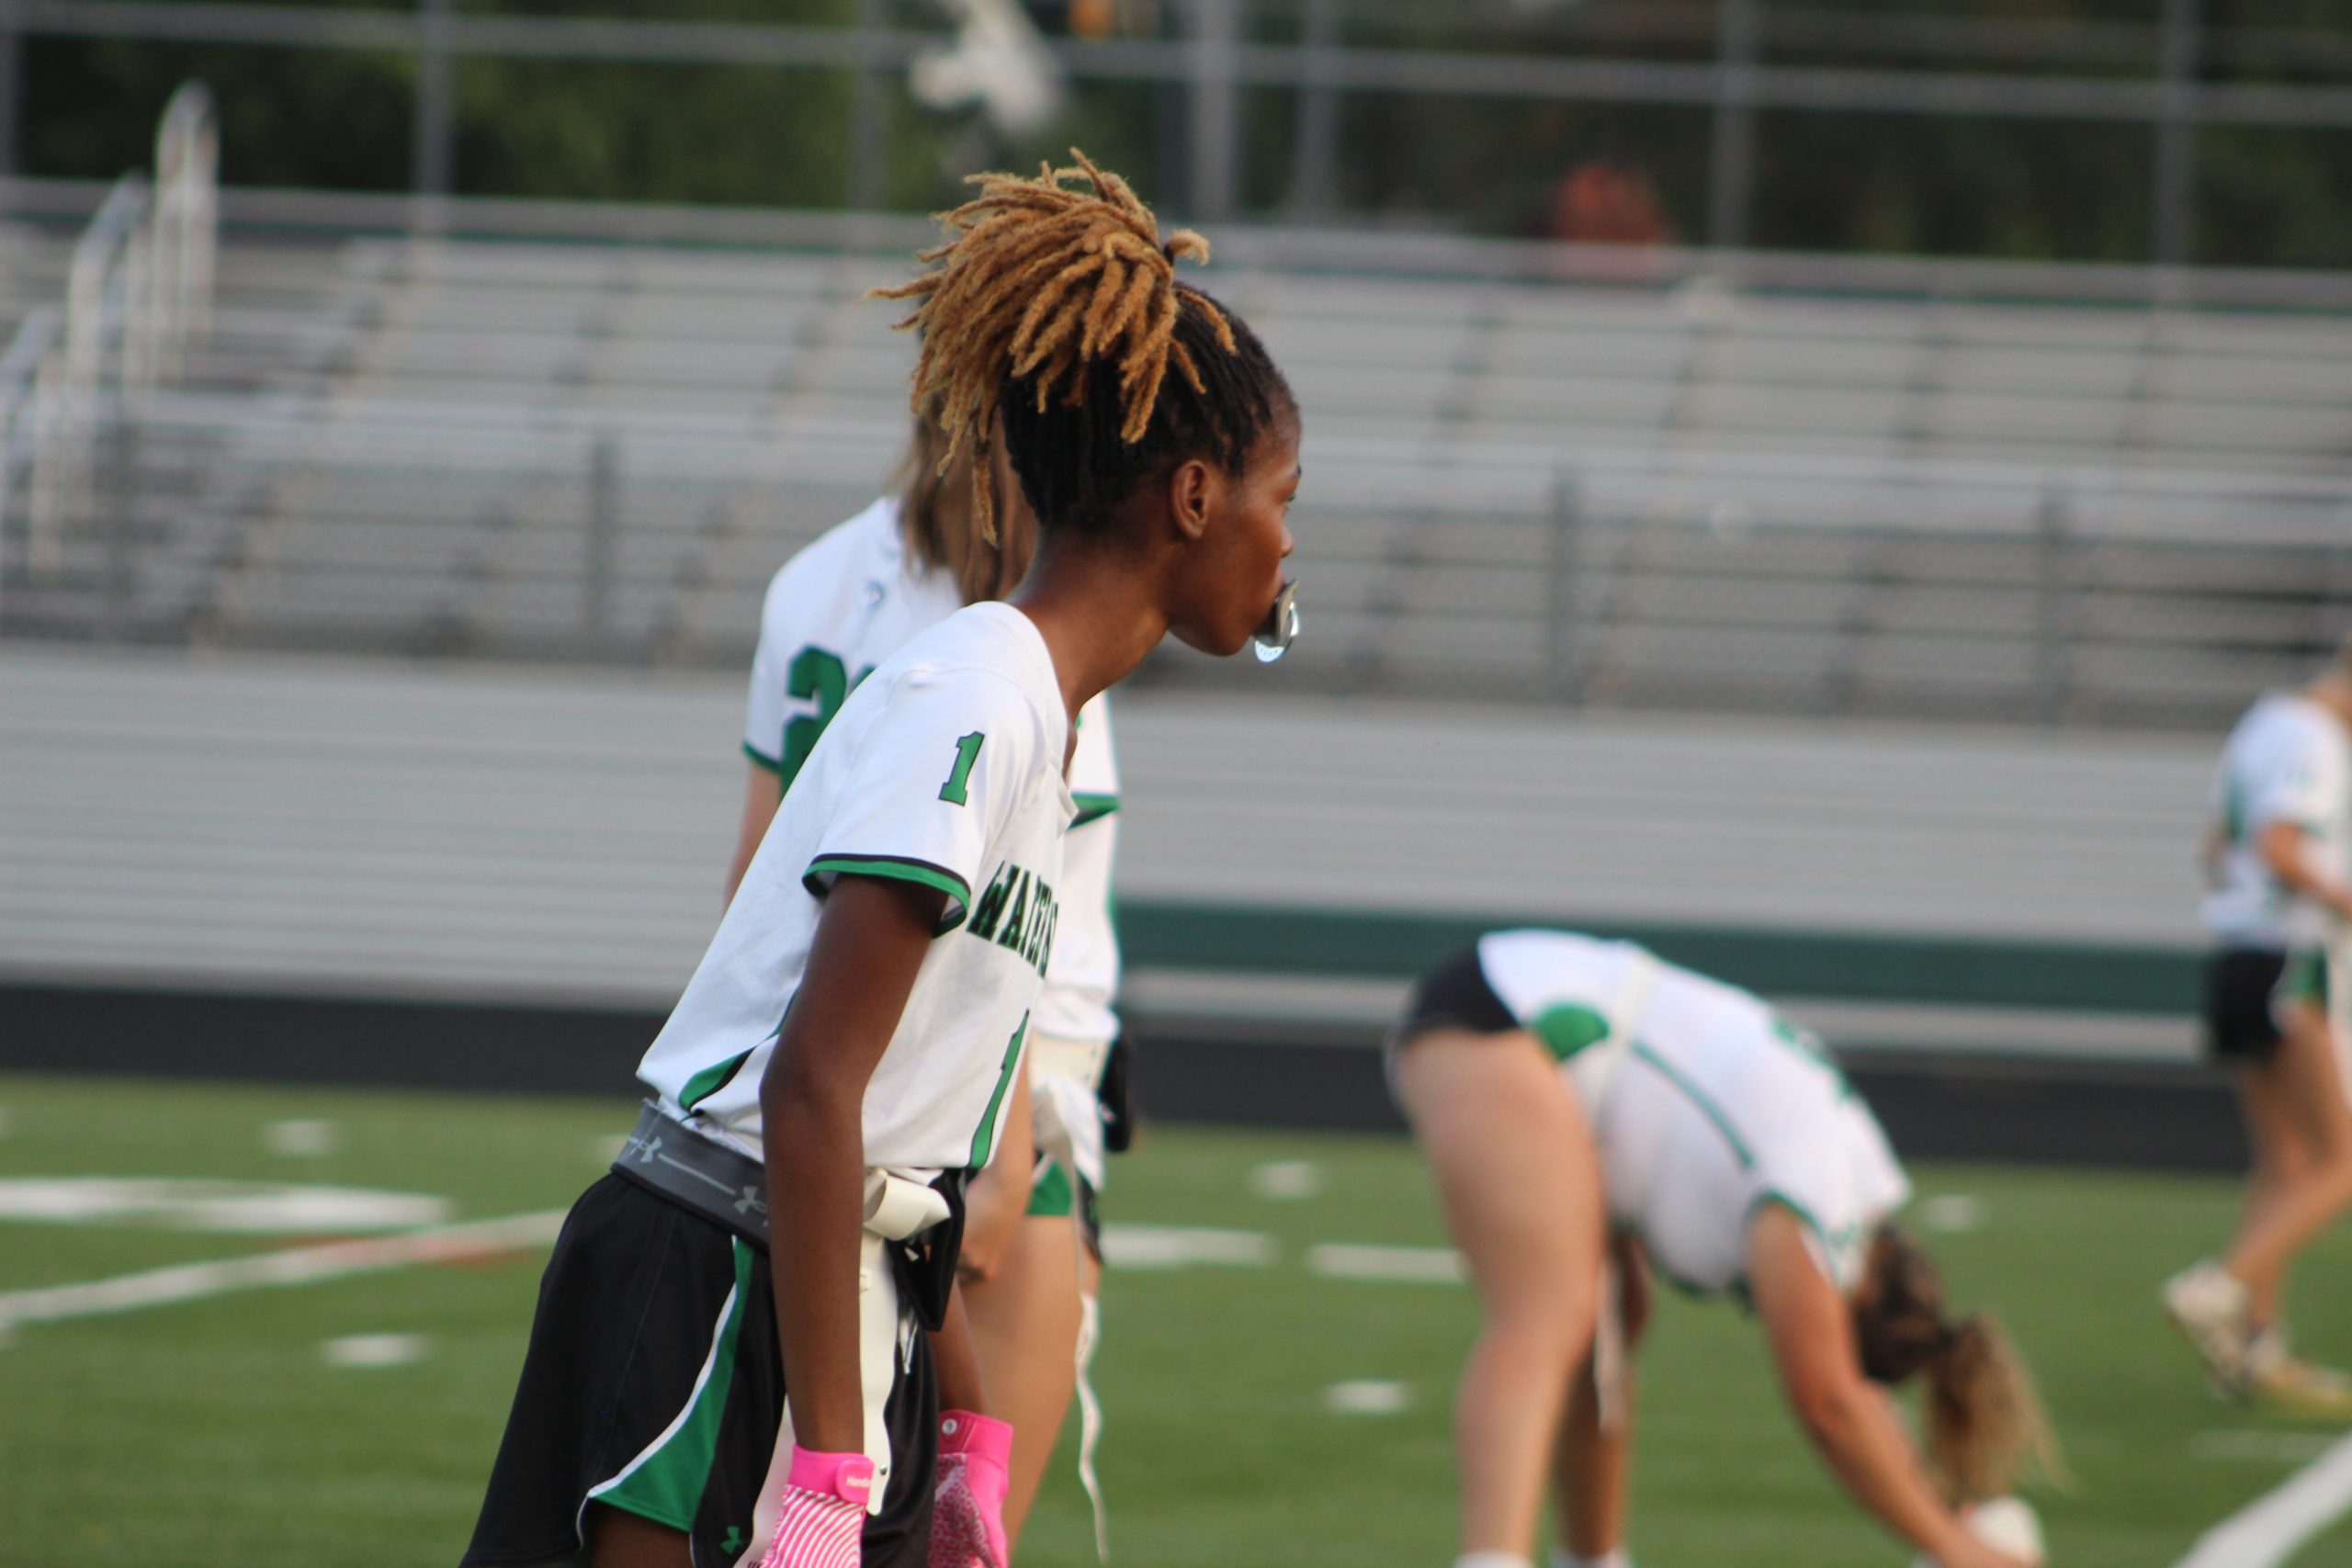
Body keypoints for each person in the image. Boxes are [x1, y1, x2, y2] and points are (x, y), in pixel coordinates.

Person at [460, 152, 1299, 1568]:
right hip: (714, 1272)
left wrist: (965, 1425)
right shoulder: (975, 693)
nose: (1294, 546)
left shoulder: (1047, 718)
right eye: (1289, 493)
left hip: (861, 1291)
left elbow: (906, 1139)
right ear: (1198, 495)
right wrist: (830, 1468)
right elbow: (809, 1081)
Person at [726, 412, 1126, 1553]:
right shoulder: (1040, 611)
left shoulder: (815, 581)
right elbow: (1010, 934)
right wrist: (1004, 1154)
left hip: (814, 1101)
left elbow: (752, 888)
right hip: (989, 1100)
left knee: (810, 1519)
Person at [1393, 930, 2061, 1568]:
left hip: (1528, 1007)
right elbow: (1832, 1401)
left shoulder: (1854, 1189)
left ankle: (1593, 1558)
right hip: (1512, 1017)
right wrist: (1954, 1548)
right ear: (1861, 1289)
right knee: (1550, 1309)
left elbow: (1854, 1393)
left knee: (1610, 1318)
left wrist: (1951, 1512)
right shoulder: (1816, 1200)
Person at [2164, 635, 2352, 1416]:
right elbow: (2278, 847)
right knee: (2342, 1158)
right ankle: (2223, 1286)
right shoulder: (2315, 737)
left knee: (2284, 1160)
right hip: (2287, 960)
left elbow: (2217, 846)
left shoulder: (2264, 722)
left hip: (2237, 955)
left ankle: (2253, 1348)